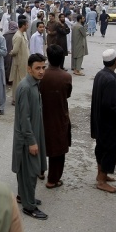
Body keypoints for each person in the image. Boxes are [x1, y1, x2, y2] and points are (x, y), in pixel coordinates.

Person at [12, 53, 48, 220]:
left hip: (33, 133)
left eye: (43, 67)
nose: (41, 71)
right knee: (30, 171)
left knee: (27, 170)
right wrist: (32, 141)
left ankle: (23, 196)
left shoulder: (34, 84)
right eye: (37, 68)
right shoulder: (26, 87)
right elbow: (24, 118)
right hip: (28, 138)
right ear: (29, 69)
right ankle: (29, 206)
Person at [90, 49, 116, 193]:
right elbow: (109, 104)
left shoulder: (101, 74)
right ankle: (102, 181)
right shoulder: (110, 80)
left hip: (100, 121)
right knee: (109, 150)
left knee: (101, 148)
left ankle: (100, 175)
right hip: (108, 124)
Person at [40, 45, 72, 190]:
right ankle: (52, 179)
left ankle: (39, 171)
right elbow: (68, 94)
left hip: (42, 114)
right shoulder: (66, 76)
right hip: (59, 115)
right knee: (58, 148)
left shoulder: (41, 75)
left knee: (40, 143)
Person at [9, 19, 30, 105]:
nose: (28, 26)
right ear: (23, 25)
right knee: (18, 81)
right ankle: (15, 99)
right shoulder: (18, 36)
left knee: (23, 80)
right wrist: (11, 53)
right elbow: (15, 51)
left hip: (24, 62)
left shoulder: (23, 34)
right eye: (27, 25)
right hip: (19, 62)